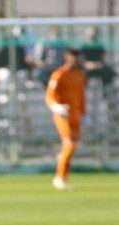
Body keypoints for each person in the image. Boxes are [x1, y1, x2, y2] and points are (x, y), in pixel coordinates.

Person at [45, 48, 86, 191]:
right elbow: (49, 96)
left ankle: (63, 175)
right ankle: (59, 177)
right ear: (68, 58)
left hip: (76, 115)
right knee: (69, 143)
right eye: (75, 57)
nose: (78, 60)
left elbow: (81, 96)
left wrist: (83, 112)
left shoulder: (80, 75)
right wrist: (56, 107)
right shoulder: (59, 75)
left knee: (72, 146)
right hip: (63, 115)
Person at [80, 26, 116, 92]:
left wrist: (98, 64)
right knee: (81, 75)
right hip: (87, 67)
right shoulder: (84, 46)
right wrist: (87, 64)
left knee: (107, 73)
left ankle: (106, 93)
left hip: (98, 66)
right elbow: (81, 59)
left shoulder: (100, 46)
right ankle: (81, 92)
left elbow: (103, 59)